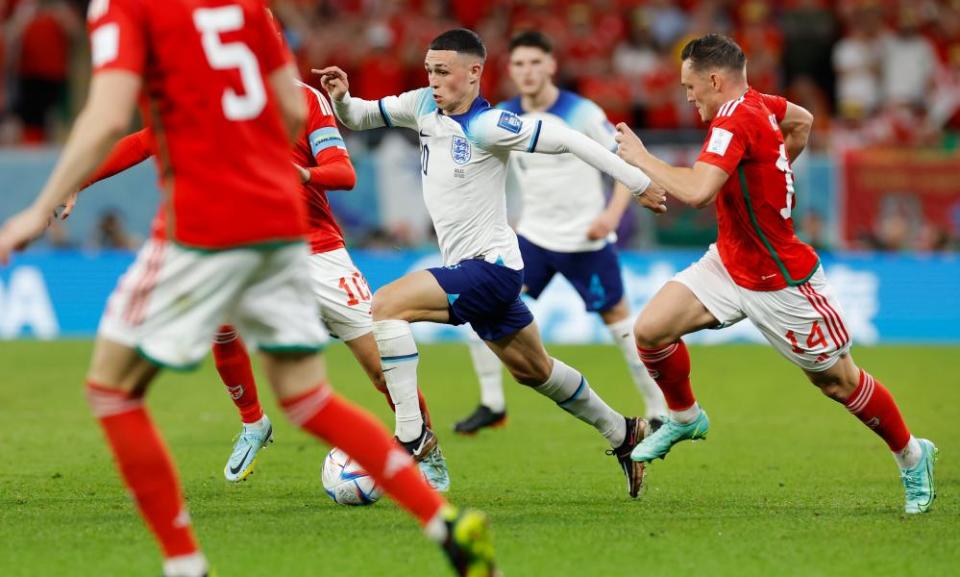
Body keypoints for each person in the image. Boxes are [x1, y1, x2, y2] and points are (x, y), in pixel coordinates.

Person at [0, 3, 494, 577]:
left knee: (112, 389)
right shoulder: (247, 11)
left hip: (210, 225)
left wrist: (41, 206)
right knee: (308, 397)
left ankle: (186, 564)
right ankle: (445, 523)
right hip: (277, 226)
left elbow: (111, 116)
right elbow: (281, 103)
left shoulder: (126, 8)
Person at [316, 28, 668, 498]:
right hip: (476, 269)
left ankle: (410, 436)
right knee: (534, 371)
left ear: (474, 72)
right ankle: (624, 433)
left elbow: (567, 140)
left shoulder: (489, 126)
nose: (433, 80)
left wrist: (638, 181)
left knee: (385, 306)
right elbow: (359, 117)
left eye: (443, 72)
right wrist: (341, 99)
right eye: (429, 71)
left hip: (492, 268)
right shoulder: (421, 105)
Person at [615, 34, 937, 514]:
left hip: (781, 279)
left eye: (690, 86)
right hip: (729, 261)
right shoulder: (760, 103)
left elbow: (700, 192)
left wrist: (641, 158)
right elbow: (802, 122)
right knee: (652, 331)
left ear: (714, 79)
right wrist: (773, 170)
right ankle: (685, 416)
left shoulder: (734, 118)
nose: (687, 96)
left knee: (838, 382)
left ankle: (913, 455)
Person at [75, 80, 447, 490]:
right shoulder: (206, 93)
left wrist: (302, 173)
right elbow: (145, 141)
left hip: (315, 248)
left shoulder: (304, 99)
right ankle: (254, 421)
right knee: (220, 321)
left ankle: (425, 449)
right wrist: (77, 181)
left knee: (381, 369)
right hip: (246, 246)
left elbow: (344, 174)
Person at [454, 30, 667, 435]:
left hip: (585, 239)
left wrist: (612, 215)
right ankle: (492, 404)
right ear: (510, 70)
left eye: (536, 62)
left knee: (622, 326)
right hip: (532, 238)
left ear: (551, 65)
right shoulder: (501, 115)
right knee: (480, 307)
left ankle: (657, 411)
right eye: (519, 64)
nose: (528, 71)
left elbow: (622, 162)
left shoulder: (582, 113)